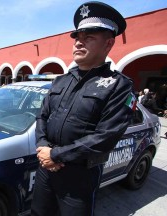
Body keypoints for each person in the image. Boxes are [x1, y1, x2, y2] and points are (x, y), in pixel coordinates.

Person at [31, 2, 134, 216]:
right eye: (77, 38)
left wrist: (57, 155)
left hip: (79, 176)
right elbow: (42, 116)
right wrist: (43, 148)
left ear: (108, 44)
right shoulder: (61, 80)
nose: (79, 43)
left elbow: (106, 136)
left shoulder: (118, 85)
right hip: (46, 168)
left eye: (89, 38)